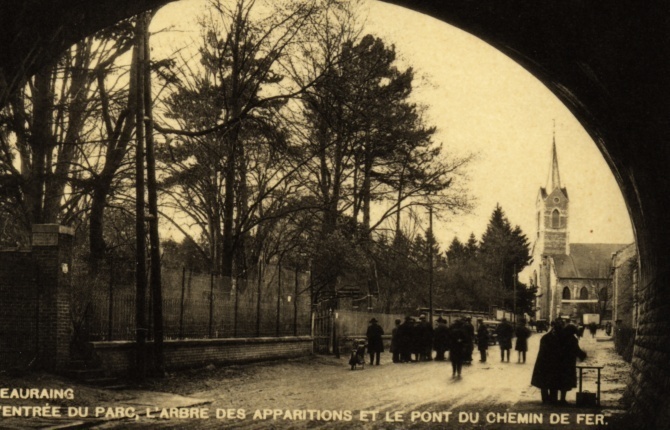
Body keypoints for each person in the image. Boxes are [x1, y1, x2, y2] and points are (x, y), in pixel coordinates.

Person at [531, 319, 565, 404]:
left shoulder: (546, 337)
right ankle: (551, 399)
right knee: (553, 381)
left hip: (545, 362)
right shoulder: (559, 338)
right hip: (551, 362)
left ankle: (547, 399)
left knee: (545, 382)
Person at [557, 322, 587, 404]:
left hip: (559, 362)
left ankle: (557, 399)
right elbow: (576, 350)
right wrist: (583, 355)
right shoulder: (572, 339)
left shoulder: (560, 337)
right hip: (568, 363)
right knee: (566, 381)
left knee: (559, 380)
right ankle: (562, 399)